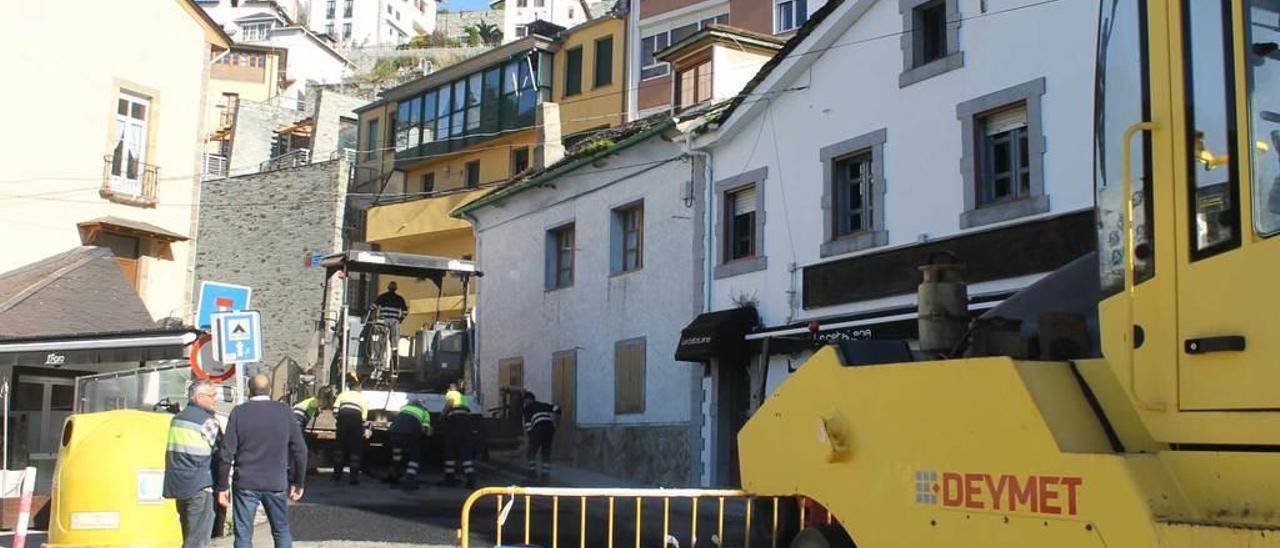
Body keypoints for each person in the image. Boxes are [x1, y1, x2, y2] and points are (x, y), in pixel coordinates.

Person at [216, 374, 307, 548]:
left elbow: (226, 452)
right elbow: (300, 450)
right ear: (270, 390)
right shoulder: (284, 411)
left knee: (243, 533)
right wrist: (298, 482)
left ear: (249, 391)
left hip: (245, 482)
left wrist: (222, 487)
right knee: (280, 530)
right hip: (275, 482)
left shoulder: (239, 412)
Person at [163, 380, 222, 548]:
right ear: (200, 397)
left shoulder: (177, 419)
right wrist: (222, 487)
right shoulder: (207, 421)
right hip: (200, 486)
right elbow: (220, 454)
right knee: (198, 539)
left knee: (188, 534)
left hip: (179, 485)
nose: (215, 400)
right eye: (212, 396)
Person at [385, 398, 431, 490]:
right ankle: (409, 479)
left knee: (397, 455)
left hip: (394, 433)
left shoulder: (404, 408)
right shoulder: (424, 412)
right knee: (414, 455)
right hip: (410, 434)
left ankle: (393, 476)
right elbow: (425, 429)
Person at [438, 384, 476, 488]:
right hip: (466, 425)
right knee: (465, 454)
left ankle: (449, 479)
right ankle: (471, 479)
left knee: (450, 451)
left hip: (455, 424)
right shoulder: (462, 397)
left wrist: (441, 416)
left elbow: (449, 404)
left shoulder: (452, 393)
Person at [332, 380, 367, 485]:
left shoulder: (342, 395)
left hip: (343, 423)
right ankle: (353, 479)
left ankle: (337, 475)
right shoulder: (362, 399)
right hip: (356, 425)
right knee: (355, 452)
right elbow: (364, 418)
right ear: (359, 390)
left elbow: (335, 411)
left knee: (339, 449)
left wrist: (340, 421)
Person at [522, 391, 561, 485]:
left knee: (532, 451)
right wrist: (557, 423)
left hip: (538, 428)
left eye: (525, 400)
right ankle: (545, 475)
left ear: (528, 400)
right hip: (549, 427)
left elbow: (528, 425)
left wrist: (531, 439)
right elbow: (557, 409)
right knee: (546, 451)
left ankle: (532, 473)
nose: (525, 403)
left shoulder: (527, 408)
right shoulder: (542, 405)